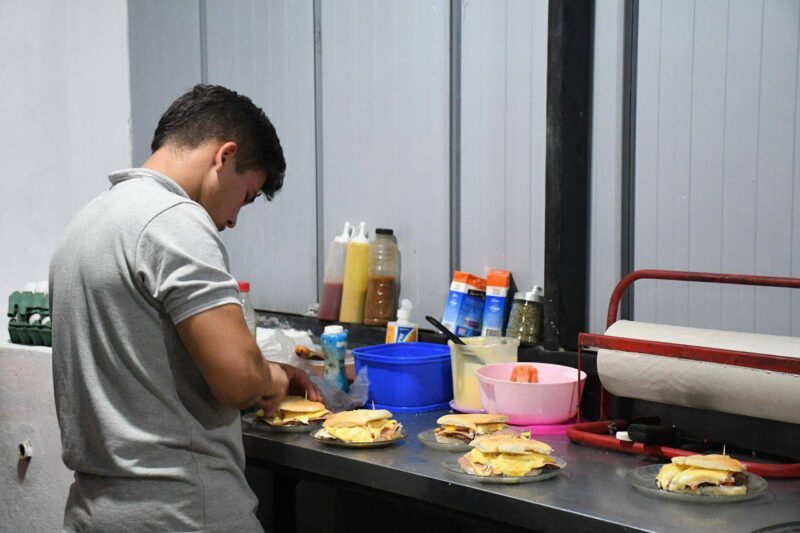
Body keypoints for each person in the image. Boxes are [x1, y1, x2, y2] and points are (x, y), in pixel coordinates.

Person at [49, 84, 320, 532]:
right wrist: (270, 378)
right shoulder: (175, 222)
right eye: (246, 196)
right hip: (182, 512)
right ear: (225, 157)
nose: (233, 220)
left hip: (94, 512)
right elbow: (238, 382)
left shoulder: (86, 223)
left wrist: (265, 369)